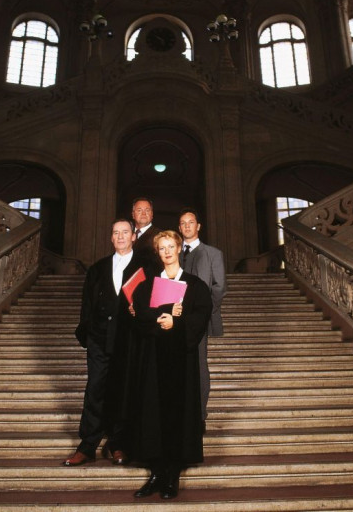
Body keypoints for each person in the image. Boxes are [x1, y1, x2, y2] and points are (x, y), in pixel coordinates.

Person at [130, 230, 212, 499]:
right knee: (152, 412)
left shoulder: (195, 285)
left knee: (178, 413)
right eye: (162, 248)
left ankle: (172, 475)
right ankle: (155, 473)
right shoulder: (147, 286)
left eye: (170, 246)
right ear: (158, 253)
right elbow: (140, 316)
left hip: (181, 361)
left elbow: (201, 316)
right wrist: (161, 317)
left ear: (179, 249)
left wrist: (176, 323)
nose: (166, 252)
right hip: (153, 358)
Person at [63, 219, 142, 467]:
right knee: (95, 390)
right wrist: (88, 334)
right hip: (99, 339)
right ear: (111, 237)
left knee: (124, 391)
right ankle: (87, 446)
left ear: (133, 237)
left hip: (130, 340)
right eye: (116, 233)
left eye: (125, 232)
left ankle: (118, 444)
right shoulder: (97, 268)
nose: (120, 236)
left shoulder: (146, 267)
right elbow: (87, 305)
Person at [178, 208, 227, 433]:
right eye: (183, 223)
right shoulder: (173, 251)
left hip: (199, 320)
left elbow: (219, 287)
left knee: (198, 365)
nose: (187, 226)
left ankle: (199, 416)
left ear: (198, 226)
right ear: (179, 228)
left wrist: (204, 312)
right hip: (174, 319)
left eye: (191, 222)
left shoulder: (212, 253)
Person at [132, 197, 160, 263]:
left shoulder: (160, 235)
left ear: (152, 214)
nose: (143, 213)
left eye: (147, 210)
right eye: (139, 210)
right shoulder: (126, 234)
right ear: (133, 214)